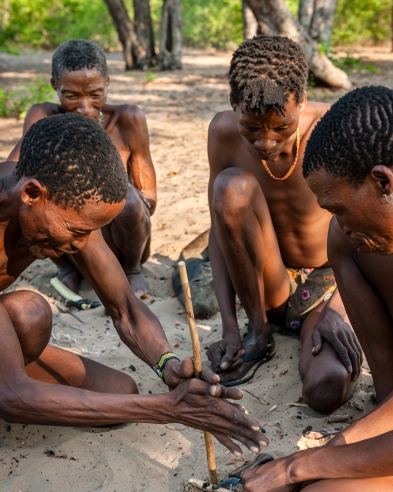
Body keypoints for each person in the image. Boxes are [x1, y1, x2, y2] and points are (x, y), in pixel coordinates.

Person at [0, 112, 268, 458]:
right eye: (76, 232)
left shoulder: (65, 204)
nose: (81, 246)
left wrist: (167, 364)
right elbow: (11, 397)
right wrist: (167, 408)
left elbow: (125, 307)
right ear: (32, 193)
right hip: (9, 391)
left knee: (116, 388)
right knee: (28, 312)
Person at [241, 85, 393, 492]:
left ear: (383, 181)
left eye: (340, 208)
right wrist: (335, 452)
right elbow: (390, 394)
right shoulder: (351, 241)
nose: (341, 225)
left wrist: (298, 467)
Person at [206, 35, 363, 413]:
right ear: (234, 104)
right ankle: (260, 333)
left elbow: (371, 231)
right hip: (267, 287)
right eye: (253, 129)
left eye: (281, 128)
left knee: (325, 390)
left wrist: (339, 310)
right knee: (230, 189)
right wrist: (232, 326)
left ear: (302, 102)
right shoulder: (223, 132)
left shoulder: (336, 128)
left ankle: (320, 330)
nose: (266, 143)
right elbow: (219, 232)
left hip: (332, 283)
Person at [9, 39, 155, 296]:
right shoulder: (43, 117)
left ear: (107, 82)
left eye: (95, 94)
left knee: (130, 200)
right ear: (55, 86)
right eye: (72, 95)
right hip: (63, 235)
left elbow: (149, 199)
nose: (85, 107)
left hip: (117, 238)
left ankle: (132, 270)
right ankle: (68, 270)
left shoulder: (128, 120)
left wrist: (98, 207)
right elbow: (14, 174)